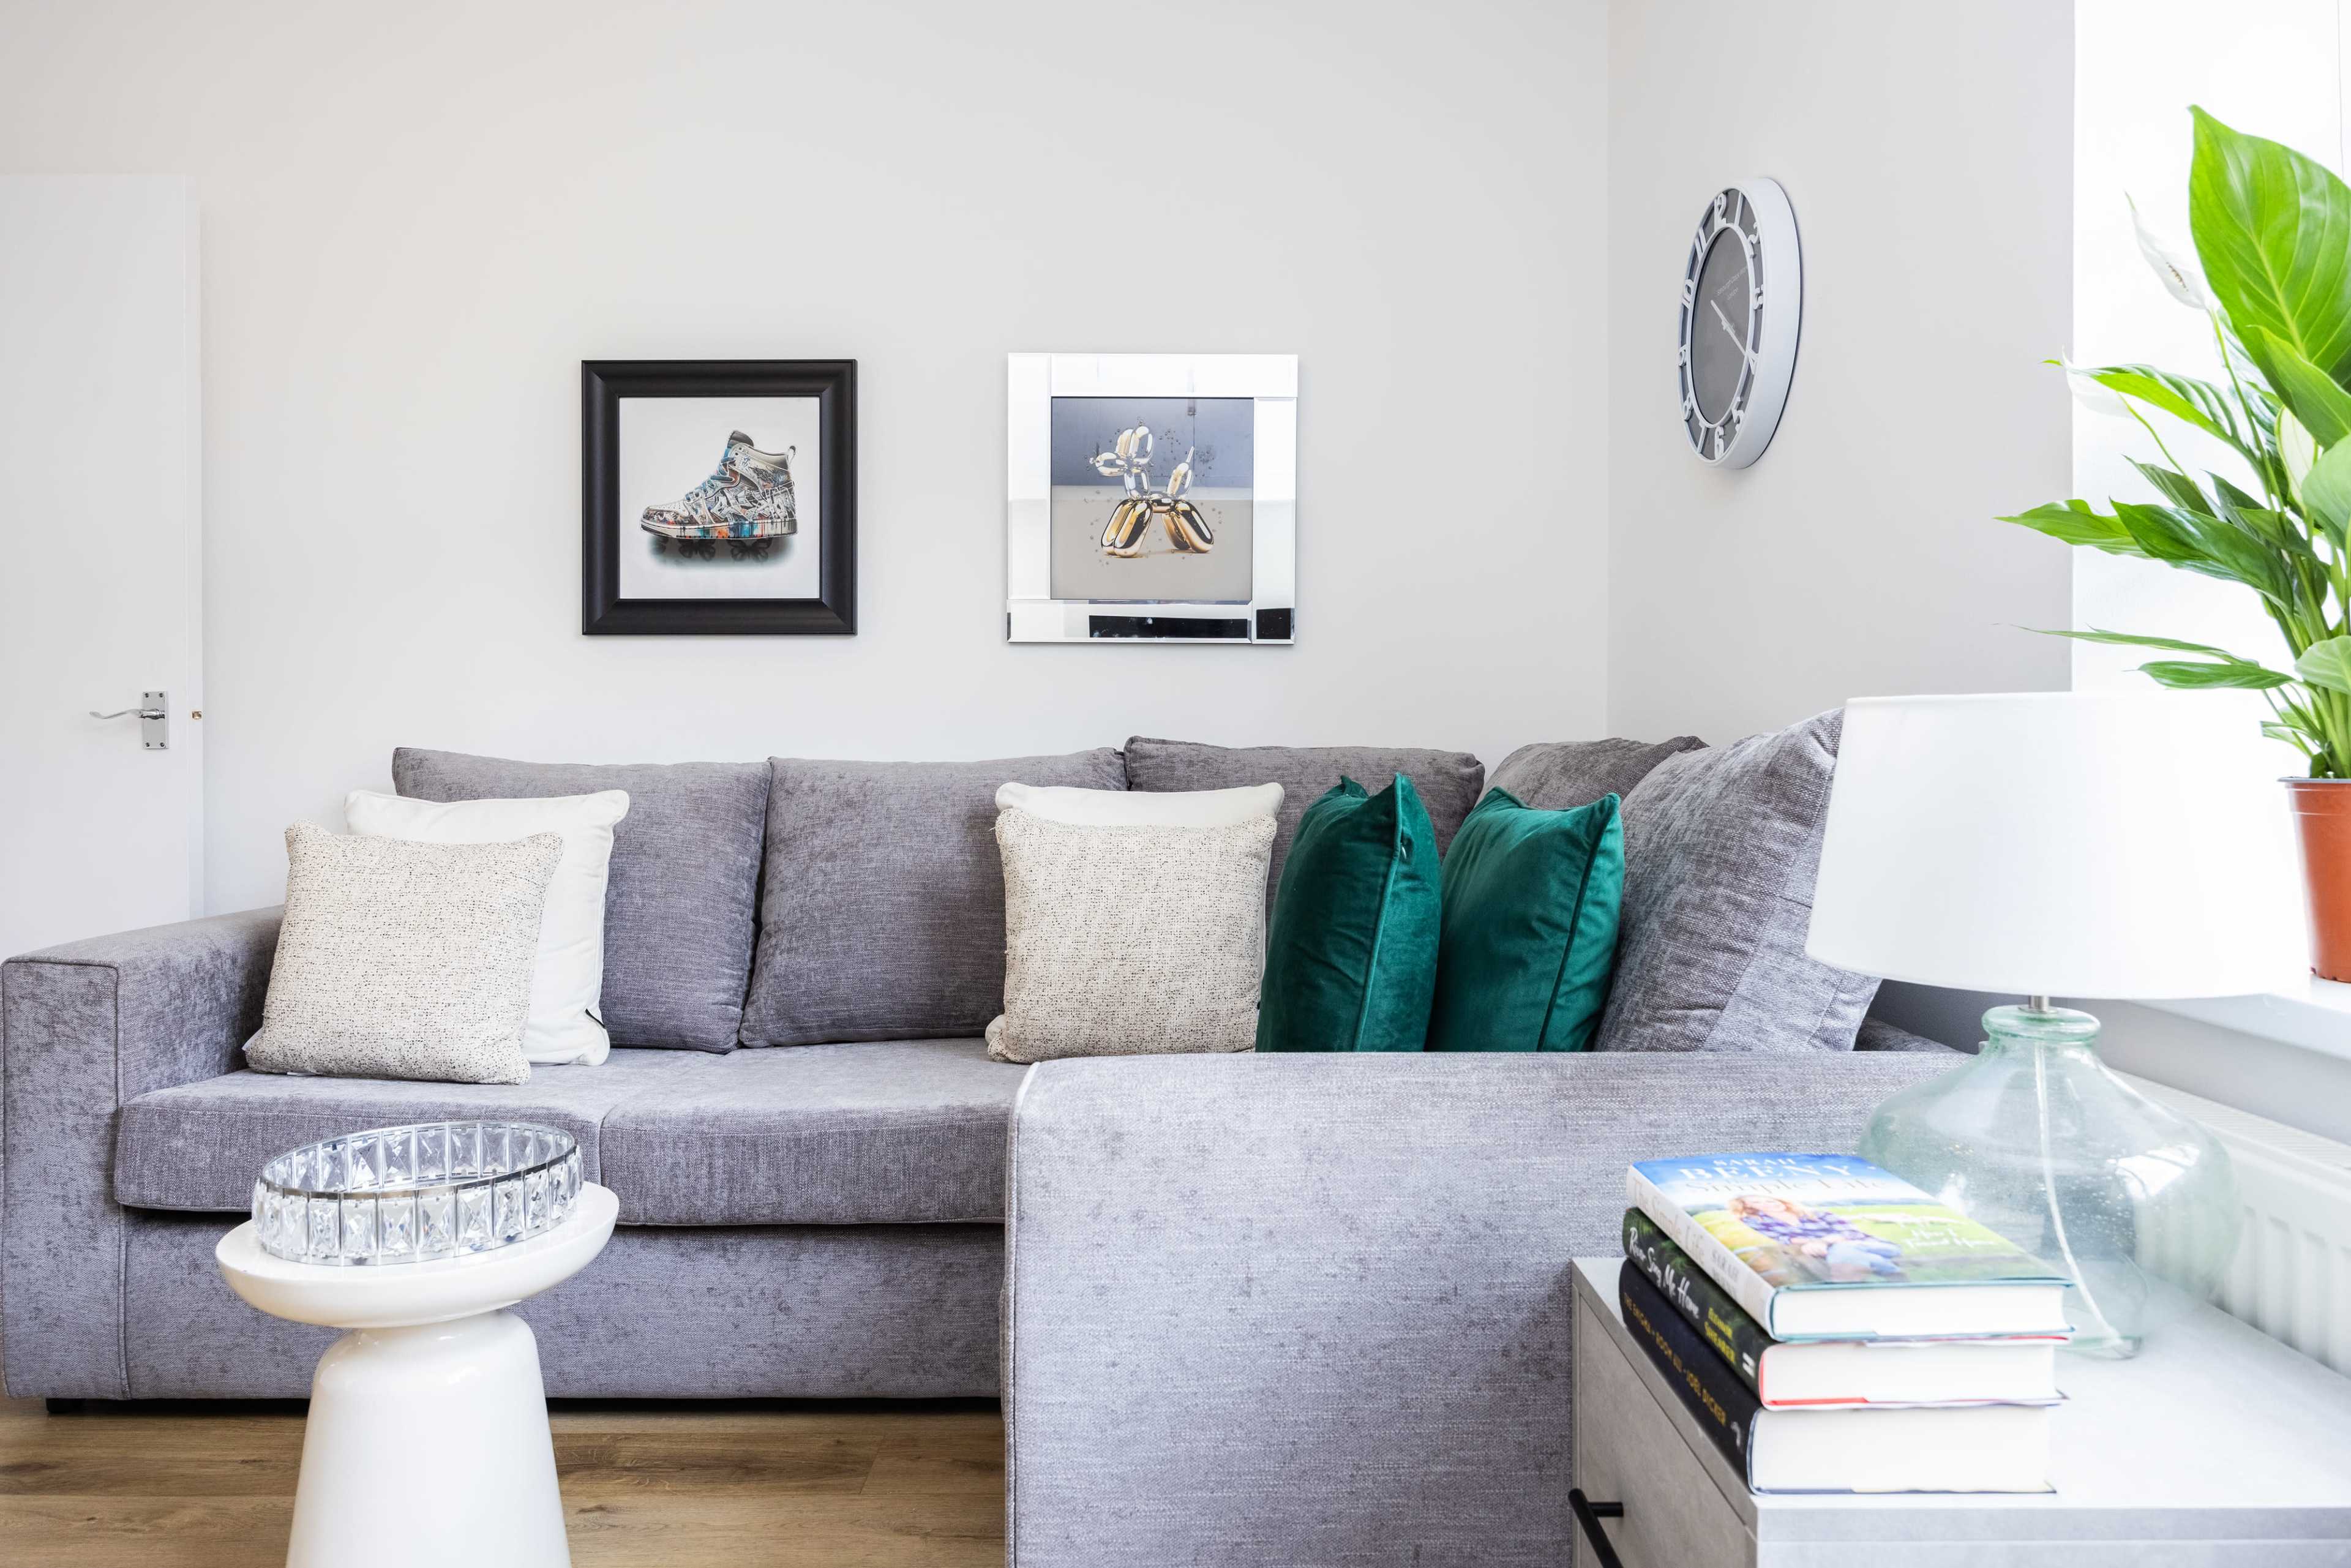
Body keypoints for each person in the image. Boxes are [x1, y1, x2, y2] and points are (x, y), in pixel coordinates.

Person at [1725, 1194, 1904, 1282]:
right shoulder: (1758, 1222)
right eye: (1758, 1202)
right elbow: (1784, 1239)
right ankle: (1893, 1274)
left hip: (1874, 1246)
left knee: (1842, 1249)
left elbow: (1849, 1233)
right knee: (1842, 1252)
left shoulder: (1817, 1214)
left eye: (1769, 1199)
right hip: (1839, 1251)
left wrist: (1822, 1242)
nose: (1769, 1202)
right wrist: (1816, 1243)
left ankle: (1847, 1287)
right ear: (1750, 1209)